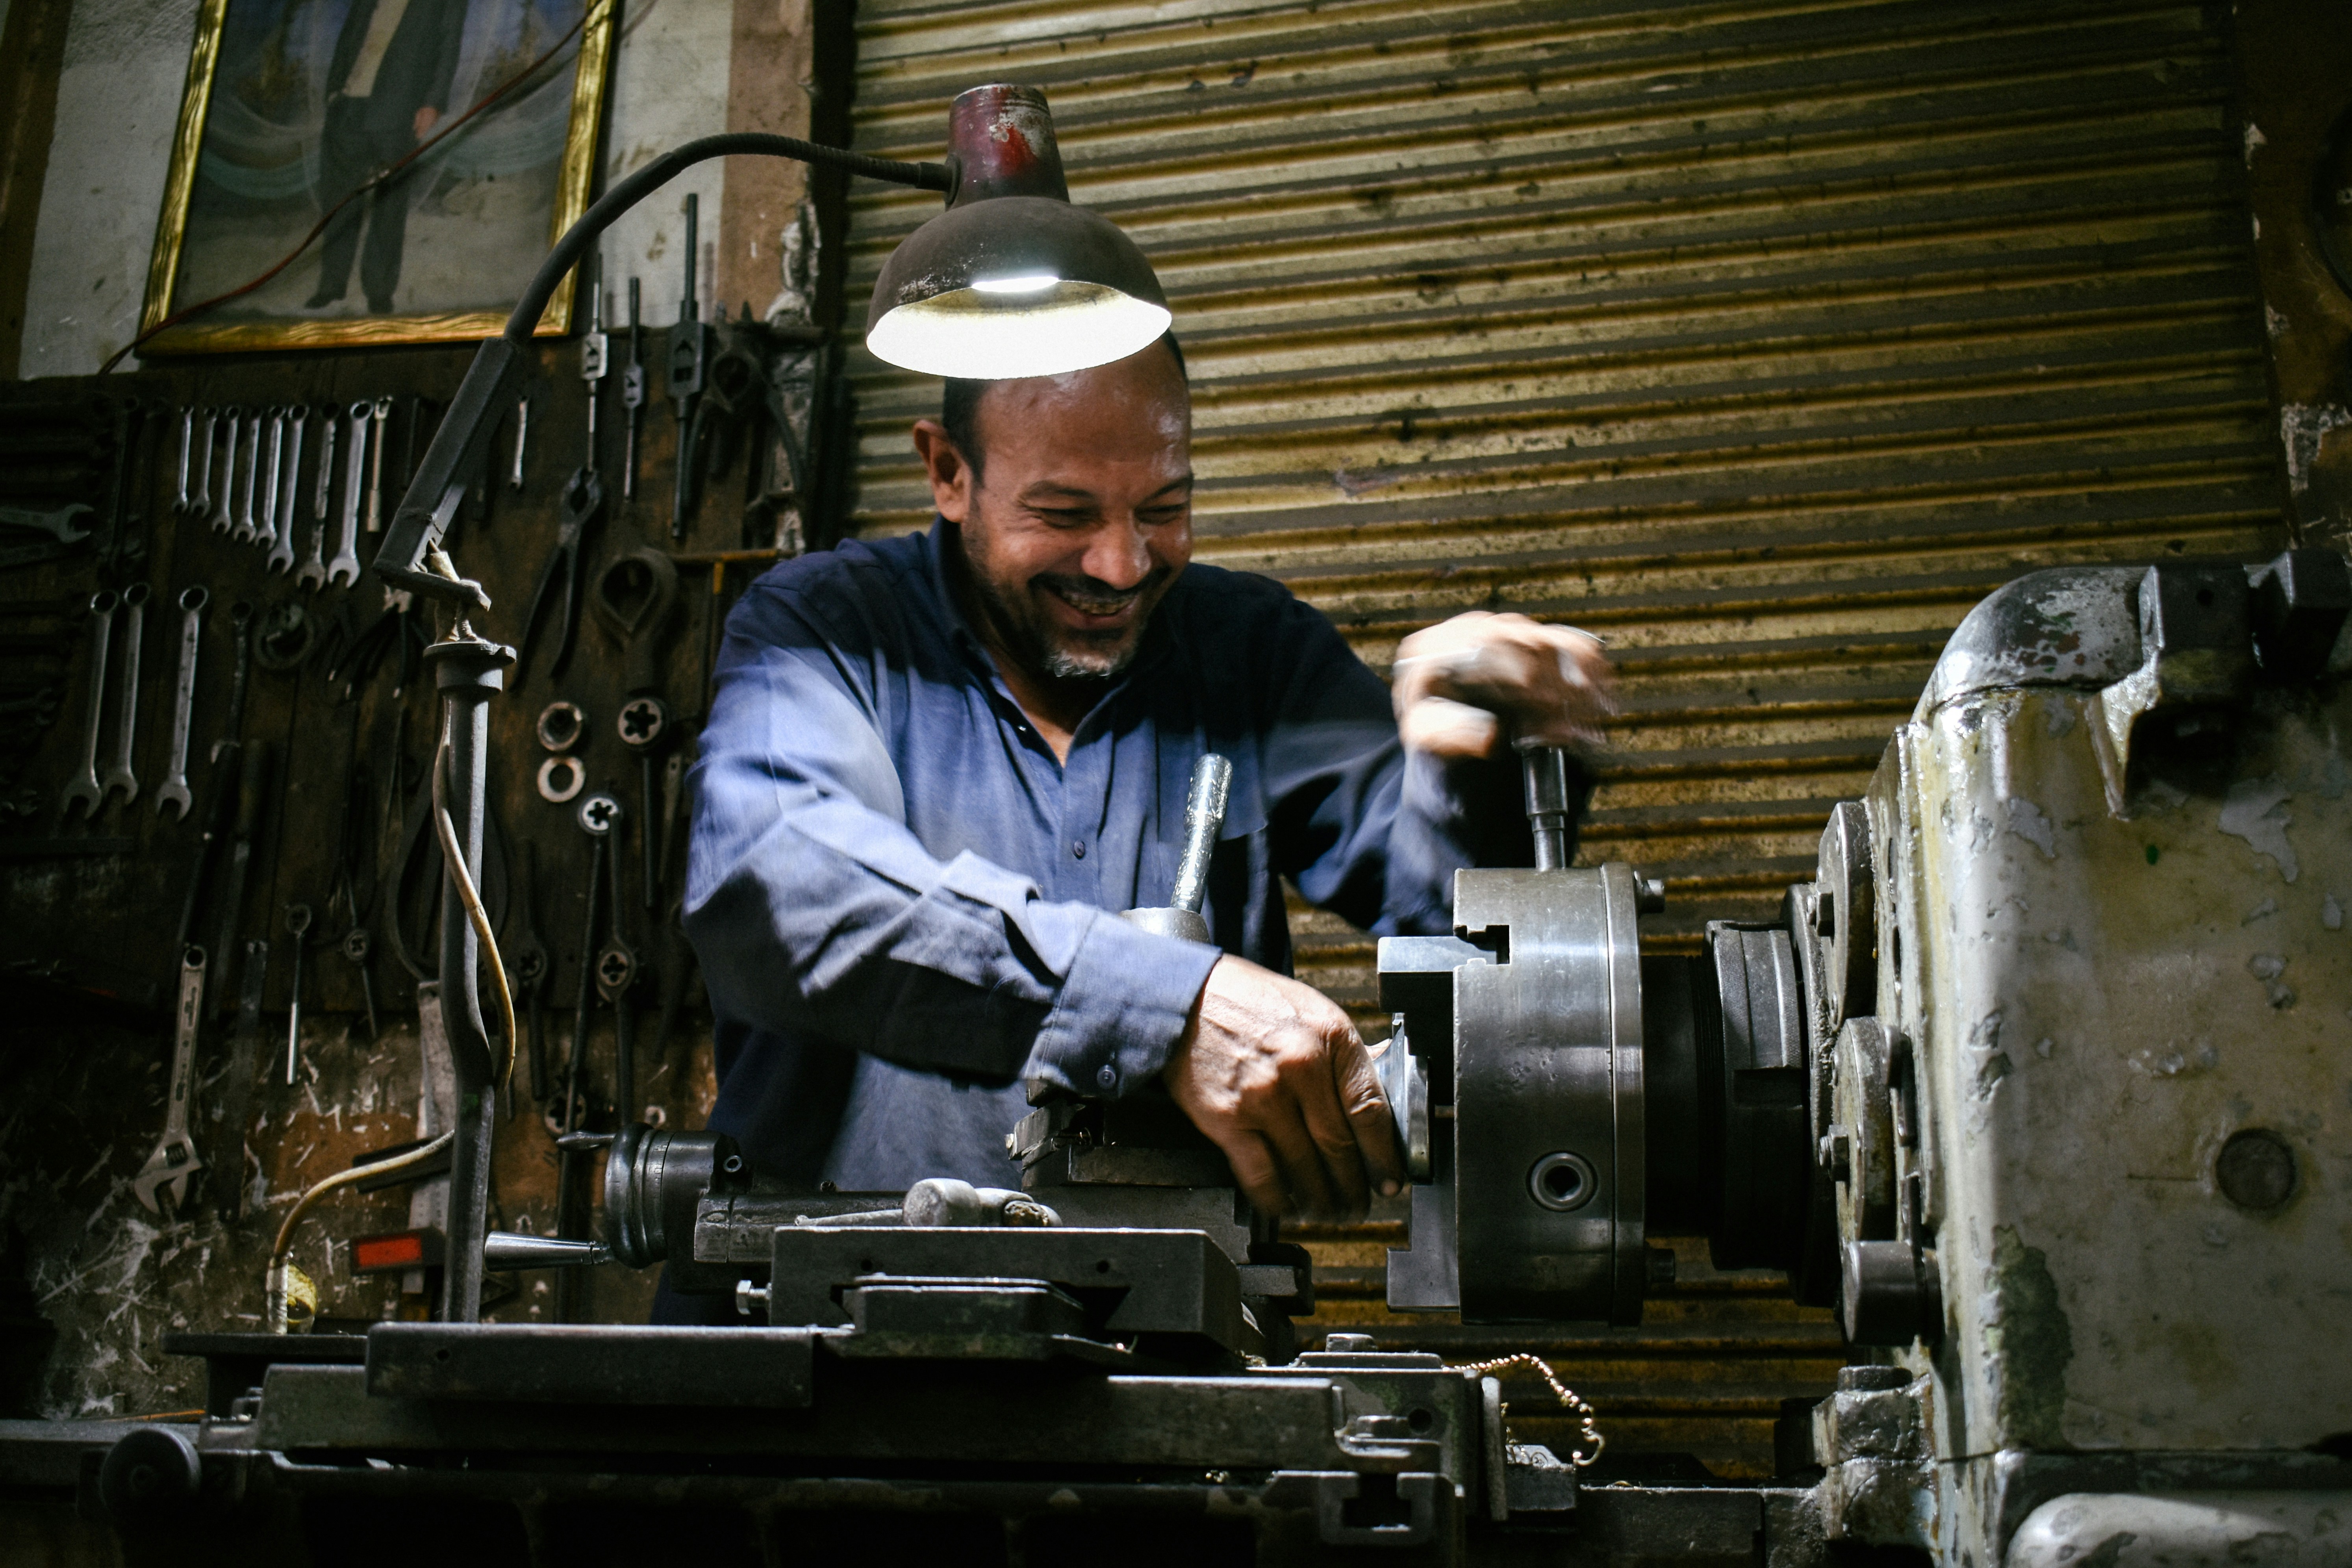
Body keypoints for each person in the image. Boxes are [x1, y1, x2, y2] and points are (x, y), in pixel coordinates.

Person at [680, 333, 1611, 1243]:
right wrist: (1165, 1005)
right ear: (949, 470)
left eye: (1164, 507)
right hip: (817, 1329)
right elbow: (781, 886)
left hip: (1173, 1335)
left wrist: (1483, 761)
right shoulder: (823, 630)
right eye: (1064, 512)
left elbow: (1446, 924)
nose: (1122, 566)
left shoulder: (1252, 651)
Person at [306, 0, 469, 314]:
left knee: (389, 205)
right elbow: (351, 34)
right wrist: (335, 91)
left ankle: (379, 291)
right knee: (338, 201)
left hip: (398, 109)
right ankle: (331, 285)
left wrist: (433, 103)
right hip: (348, 109)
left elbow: (449, 45)